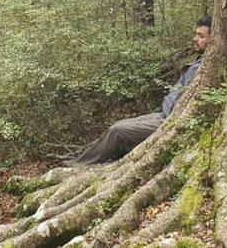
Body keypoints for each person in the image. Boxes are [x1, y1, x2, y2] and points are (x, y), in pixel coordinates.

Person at [64, 17, 211, 167]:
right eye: (196, 34)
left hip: (170, 121)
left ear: (213, 38)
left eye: (201, 36)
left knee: (117, 131)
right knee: (118, 124)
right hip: (163, 114)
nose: (195, 39)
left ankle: (79, 165)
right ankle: (90, 159)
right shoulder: (198, 61)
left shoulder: (208, 67)